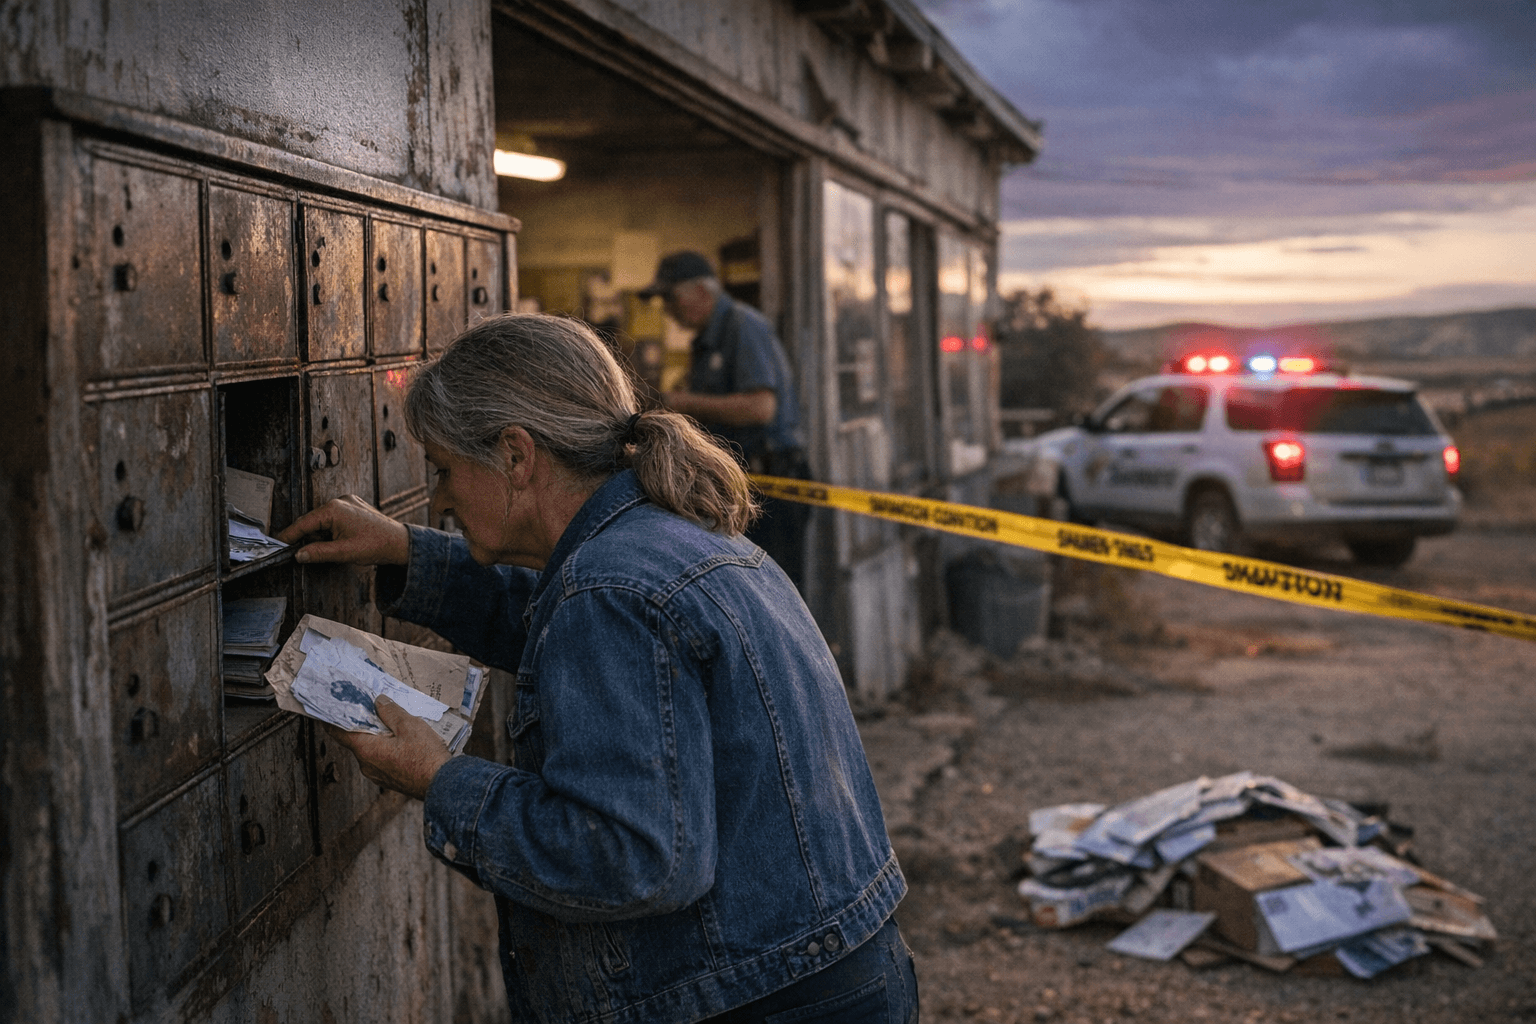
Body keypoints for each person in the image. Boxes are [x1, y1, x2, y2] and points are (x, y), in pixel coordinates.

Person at [277, 313, 916, 1024]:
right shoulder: (665, 540)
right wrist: (408, 551)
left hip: (754, 1002)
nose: (440, 498)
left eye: (445, 469)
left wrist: (440, 780)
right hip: (829, 977)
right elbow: (561, 629)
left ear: (516, 456)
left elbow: (630, 860)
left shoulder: (609, 593)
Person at [639, 250, 812, 591]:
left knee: (775, 593)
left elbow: (762, 408)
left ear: (702, 291)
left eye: (672, 299)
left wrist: (681, 403)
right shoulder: (705, 341)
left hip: (772, 482)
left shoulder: (742, 326)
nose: (669, 310)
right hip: (741, 484)